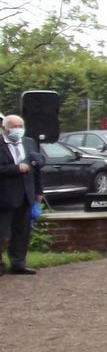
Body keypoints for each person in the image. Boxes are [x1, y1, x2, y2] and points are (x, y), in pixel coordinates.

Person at [0, 114, 45, 276]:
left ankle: (18, 263)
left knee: (22, 232)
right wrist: (16, 168)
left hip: (26, 194)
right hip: (4, 196)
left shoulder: (29, 142)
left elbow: (36, 168)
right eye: (14, 127)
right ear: (4, 128)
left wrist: (39, 191)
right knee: (2, 232)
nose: (17, 130)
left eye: (20, 126)